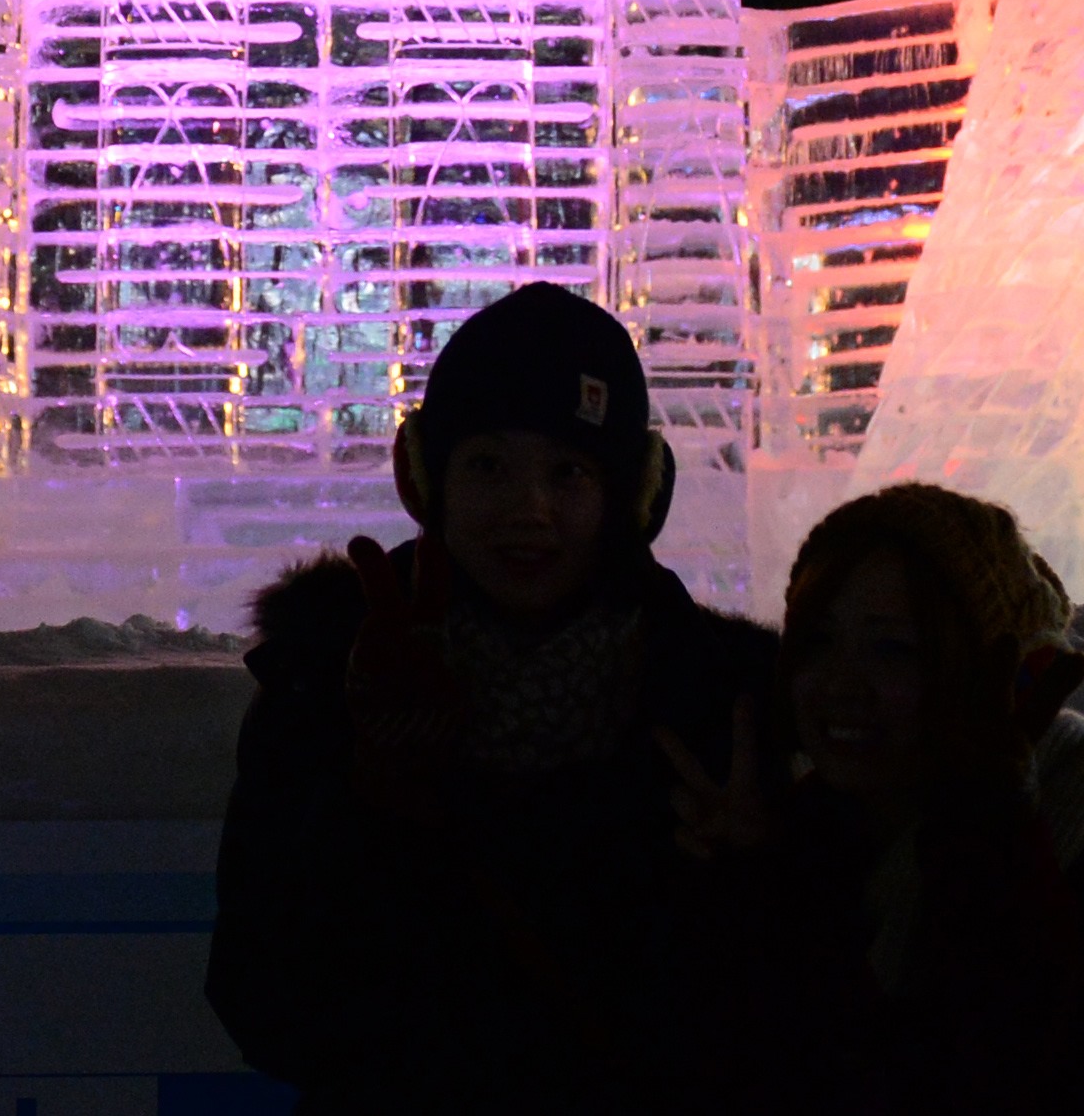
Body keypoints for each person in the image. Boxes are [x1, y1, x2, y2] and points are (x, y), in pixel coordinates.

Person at [206, 282, 791, 1113]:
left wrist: (761, 875)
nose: (529, 510)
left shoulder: (727, 704)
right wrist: (371, 813)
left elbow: (787, 1028)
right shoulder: (329, 677)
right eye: (488, 466)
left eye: (569, 472)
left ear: (630, 497)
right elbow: (262, 1004)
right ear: (426, 478)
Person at [754, 481, 1084, 1113]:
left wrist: (991, 835)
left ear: (993, 678)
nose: (839, 683)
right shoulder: (798, 851)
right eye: (817, 640)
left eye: (893, 648)